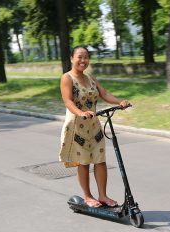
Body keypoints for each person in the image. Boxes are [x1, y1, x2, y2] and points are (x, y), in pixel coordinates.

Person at [59, 45, 130, 208]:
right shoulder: (67, 78)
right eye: (79, 57)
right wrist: (80, 112)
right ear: (72, 58)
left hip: (94, 125)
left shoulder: (90, 78)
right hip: (77, 125)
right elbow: (68, 101)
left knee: (100, 160)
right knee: (83, 162)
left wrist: (120, 102)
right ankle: (87, 196)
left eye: (86, 57)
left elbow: (104, 94)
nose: (83, 60)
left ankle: (103, 195)